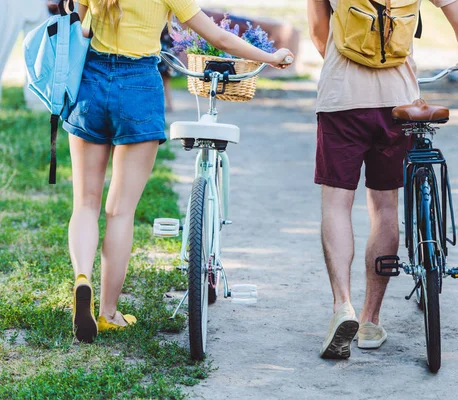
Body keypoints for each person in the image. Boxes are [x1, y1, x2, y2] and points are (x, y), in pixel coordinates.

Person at [66, 0, 293, 343]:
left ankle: (82, 278)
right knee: (120, 211)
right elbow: (221, 37)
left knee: (85, 202)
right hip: (139, 85)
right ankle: (109, 312)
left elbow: (79, 30)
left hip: (90, 84)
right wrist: (272, 57)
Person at [307, 0, 458, 359]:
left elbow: (318, 33)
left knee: (336, 203)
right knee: (385, 205)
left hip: (341, 100)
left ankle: (341, 307)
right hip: (399, 105)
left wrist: (343, 59)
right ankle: (370, 320)